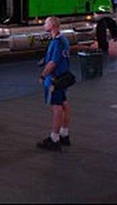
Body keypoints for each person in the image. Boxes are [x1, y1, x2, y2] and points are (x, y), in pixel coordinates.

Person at [37, 16, 72, 151]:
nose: (44, 25)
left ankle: (54, 138)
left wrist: (43, 75)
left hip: (54, 79)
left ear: (52, 25)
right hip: (63, 77)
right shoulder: (63, 40)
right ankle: (64, 133)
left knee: (56, 108)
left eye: (46, 23)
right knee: (64, 104)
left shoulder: (56, 43)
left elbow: (52, 63)